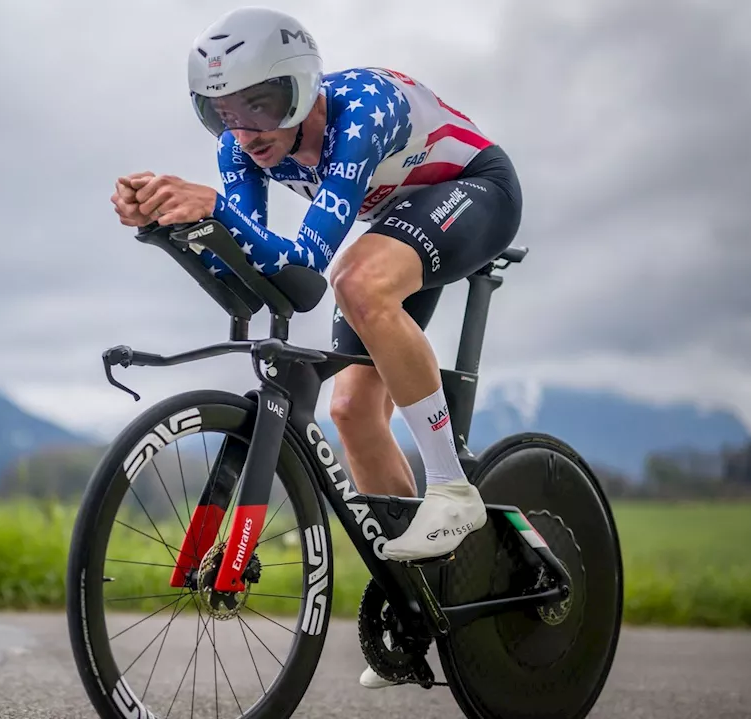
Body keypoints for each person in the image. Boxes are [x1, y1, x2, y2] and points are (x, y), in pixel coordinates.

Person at [110, 6, 523, 688]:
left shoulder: (358, 113)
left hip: (475, 188)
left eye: (261, 106)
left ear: (302, 89)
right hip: (401, 217)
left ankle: (452, 485)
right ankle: (418, 603)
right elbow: (258, 275)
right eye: (221, 114)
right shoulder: (240, 149)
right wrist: (168, 223)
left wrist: (213, 208)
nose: (245, 132)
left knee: (356, 280)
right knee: (353, 410)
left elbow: (303, 271)